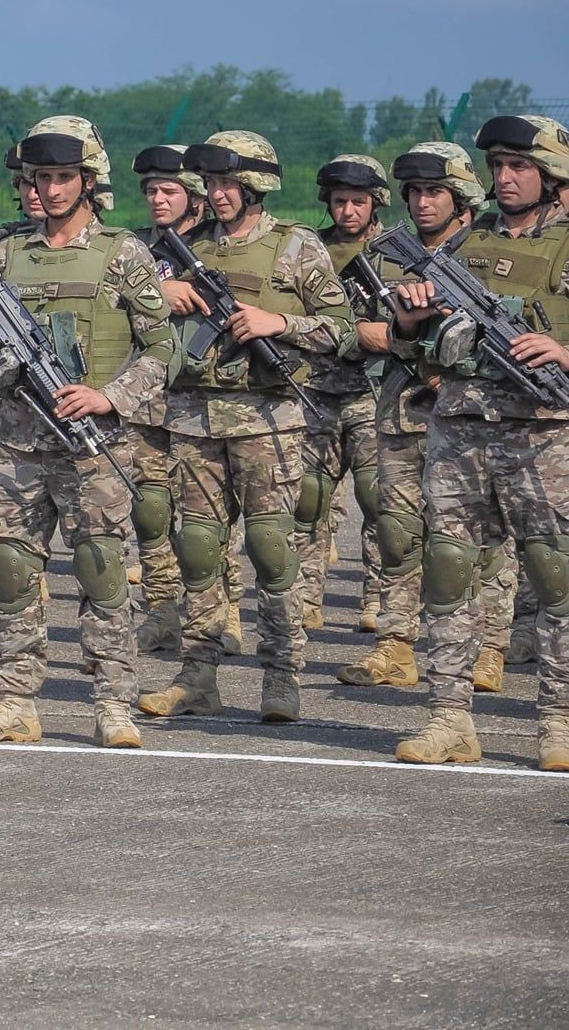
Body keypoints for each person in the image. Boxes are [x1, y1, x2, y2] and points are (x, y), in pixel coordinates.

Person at [0, 117, 173, 747]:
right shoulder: (3, 255)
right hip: (17, 444)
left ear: (87, 182)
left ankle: (113, 704)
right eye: (38, 179)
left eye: (60, 178)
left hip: (92, 448)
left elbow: (163, 347)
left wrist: (109, 395)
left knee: (102, 570)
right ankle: (14, 702)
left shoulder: (123, 254)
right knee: (13, 569)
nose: (47, 190)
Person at [391, 115, 569, 772]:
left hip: (547, 438)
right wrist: (412, 313)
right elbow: (412, 344)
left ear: (553, 175)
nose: (504, 178)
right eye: (498, 166)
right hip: (460, 430)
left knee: (557, 580)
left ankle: (559, 723)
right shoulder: (464, 247)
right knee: (448, 570)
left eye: (519, 166)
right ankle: (449, 719)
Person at [137, 131, 352, 725]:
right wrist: (160, 292)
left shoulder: (295, 246)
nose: (217, 193)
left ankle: (282, 676)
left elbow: (342, 328)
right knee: (200, 550)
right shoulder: (183, 246)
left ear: (256, 186)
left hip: (267, 418)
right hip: (194, 417)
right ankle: (197, 676)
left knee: (269, 548)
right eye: (210, 183)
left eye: (228, 183)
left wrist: (277, 322)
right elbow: (127, 306)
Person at [340, 141, 482, 691]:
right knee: (398, 532)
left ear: (460, 198)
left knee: (472, 542)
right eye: (415, 192)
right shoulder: (384, 258)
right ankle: (395, 647)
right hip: (402, 409)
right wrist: (412, 338)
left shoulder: (483, 254)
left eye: (435, 192)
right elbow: (354, 330)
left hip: (471, 416)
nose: (423, 203)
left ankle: (485, 646)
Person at [299, 155, 390, 632]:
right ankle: (307, 597)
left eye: (358, 201)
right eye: (339, 202)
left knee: (378, 501)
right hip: (317, 390)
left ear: (376, 203)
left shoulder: (397, 253)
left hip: (374, 394)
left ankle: (376, 600)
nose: (348, 211)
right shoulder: (310, 251)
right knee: (308, 500)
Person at [124, 145, 204, 655]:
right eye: (151, 190)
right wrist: (157, 290)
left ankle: (213, 616)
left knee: (206, 518)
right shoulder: (134, 248)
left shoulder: (218, 246)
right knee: (150, 508)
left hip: (206, 399)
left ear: (195, 197)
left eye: (168, 190)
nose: (157, 198)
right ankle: (160, 610)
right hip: (149, 396)